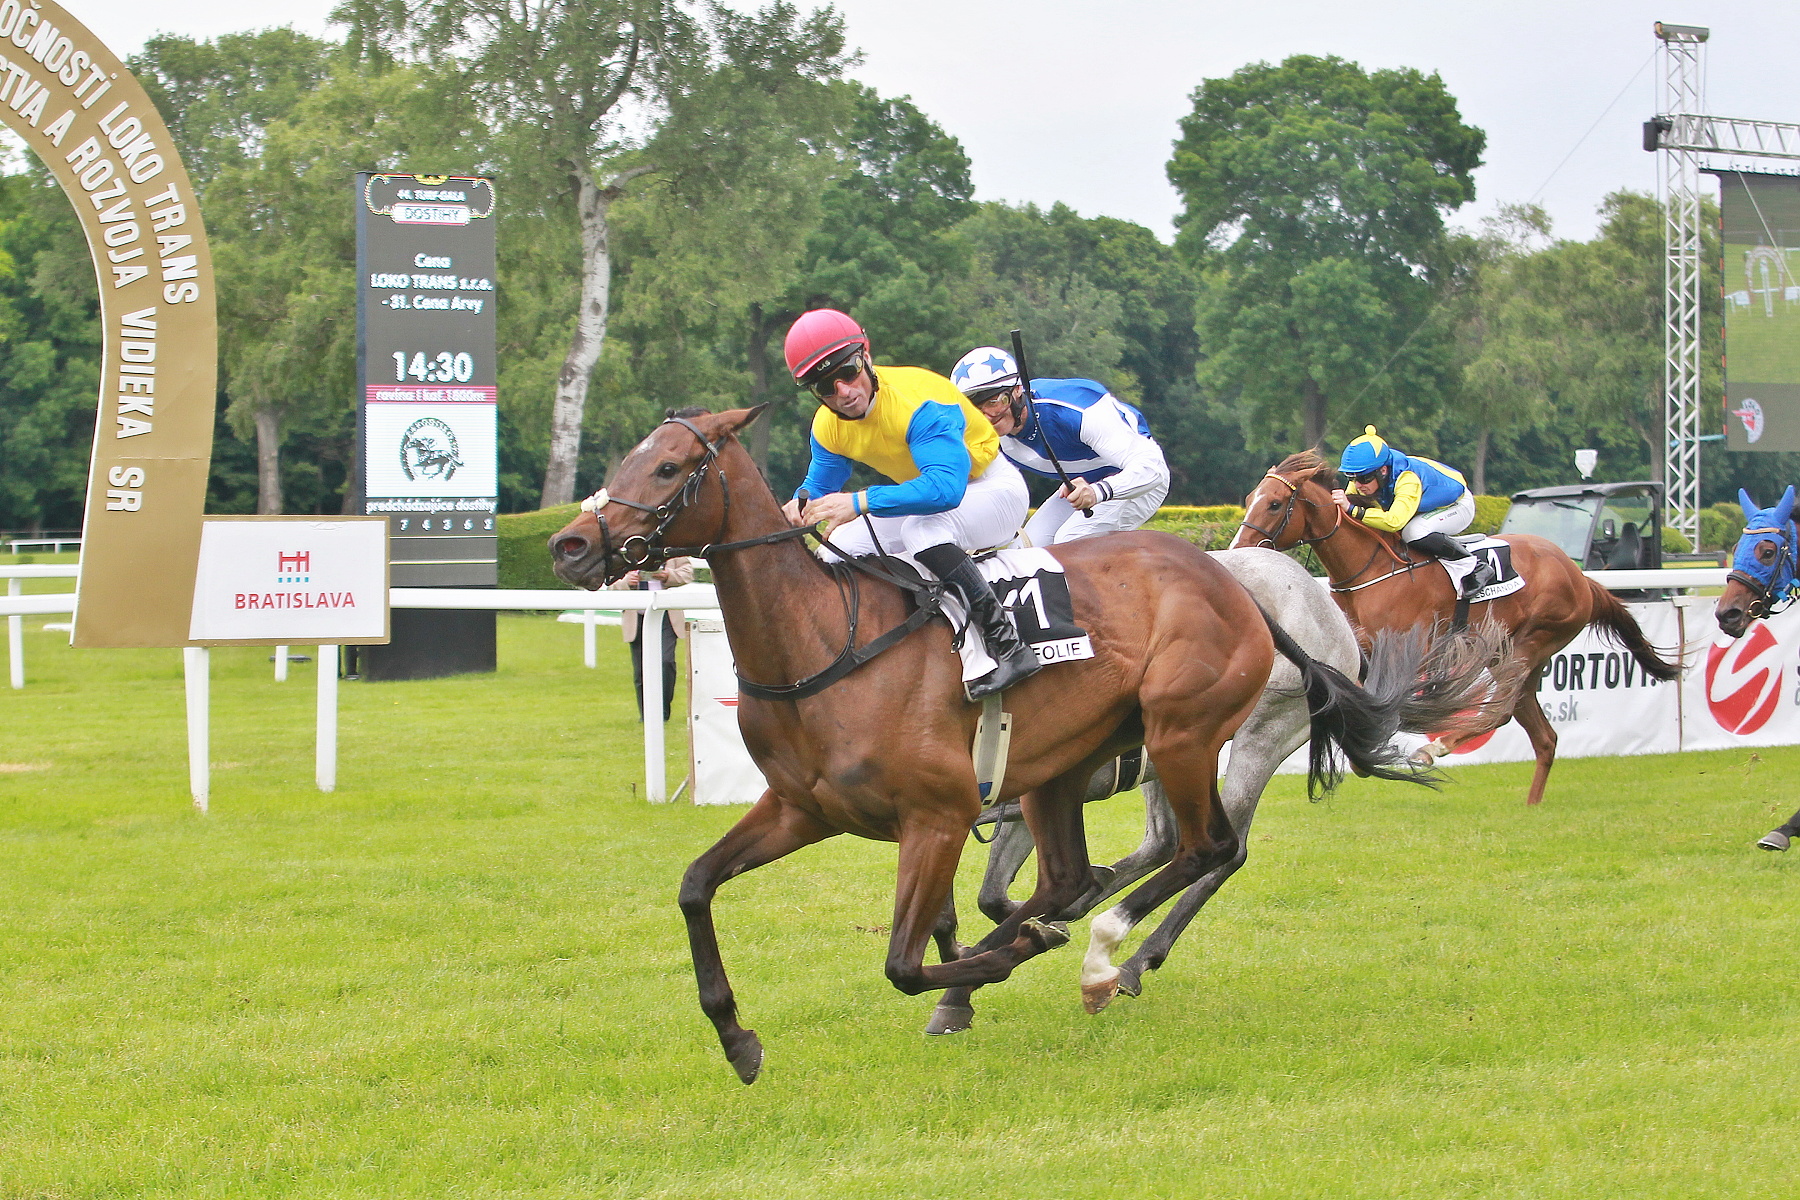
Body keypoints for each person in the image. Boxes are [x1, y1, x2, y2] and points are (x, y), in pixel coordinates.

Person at [779, 308, 1040, 699]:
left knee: (921, 529)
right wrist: (796, 506)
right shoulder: (827, 425)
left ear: (866, 356)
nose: (844, 392)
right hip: (936, 494)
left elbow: (944, 491)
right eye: (825, 386)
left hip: (992, 489)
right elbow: (819, 486)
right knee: (841, 547)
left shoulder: (919, 402)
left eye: (848, 372)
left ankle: (1007, 645)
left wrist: (860, 501)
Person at [949, 345, 1170, 546]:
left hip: (1137, 479)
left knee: (1069, 543)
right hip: (1080, 485)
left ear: (1017, 390)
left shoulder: (1075, 411)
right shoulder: (979, 432)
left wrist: (1097, 491)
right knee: (1023, 551)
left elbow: (1153, 469)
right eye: (974, 410)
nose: (987, 418)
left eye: (994, 403)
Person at [1333, 425, 1496, 598]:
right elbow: (1349, 501)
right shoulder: (1366, 476)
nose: (1358, 485)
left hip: (1457, 505)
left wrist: (1352, 509)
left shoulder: (1407, 479)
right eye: (1352, 477)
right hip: (1426, 503)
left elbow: (1393, 521)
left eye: (1364, 478)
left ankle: (1474, 565)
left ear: (1383, 470)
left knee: (1412, 531)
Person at [607, 556, 693, 722]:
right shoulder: (624, 550)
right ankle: (646, 715)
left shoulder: (671, 546)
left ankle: (662, 712)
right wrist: (626, 582)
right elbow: (610, 585)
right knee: (641, 669)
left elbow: (687, 573)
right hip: (637, 616)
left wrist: (668, 575)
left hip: (666, 615)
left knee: (666, 662)